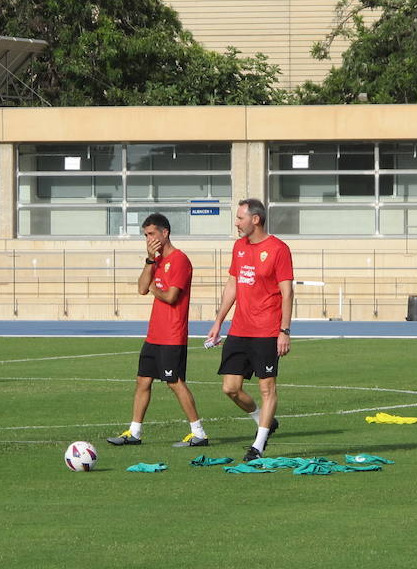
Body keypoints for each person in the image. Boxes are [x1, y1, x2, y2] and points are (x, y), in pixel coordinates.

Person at [106, 213, 209, 448]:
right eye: (145, 235)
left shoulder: (180, 260)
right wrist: (150, 261)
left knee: (175, 382)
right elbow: (142, 288)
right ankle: (134, 432)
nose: (149, 239)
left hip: (172, 334)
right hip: (154, 334)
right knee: (143, 381)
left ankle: (199, 433)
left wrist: (153, 287)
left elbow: (171, 297)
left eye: (152, 234)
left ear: (165, 233)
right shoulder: (156, 260)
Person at [205, 197, 293, 462]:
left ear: (255, 219)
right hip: (239, 329)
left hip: (267, 331)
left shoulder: (278, 249)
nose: (236, 222)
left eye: (240, 217)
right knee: (230, 388)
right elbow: (232, 285)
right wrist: (219, 321)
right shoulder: (238, 247)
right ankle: (263, 420)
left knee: (268, 389)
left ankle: (258, 445)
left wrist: (284, 330)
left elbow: (287, 292)